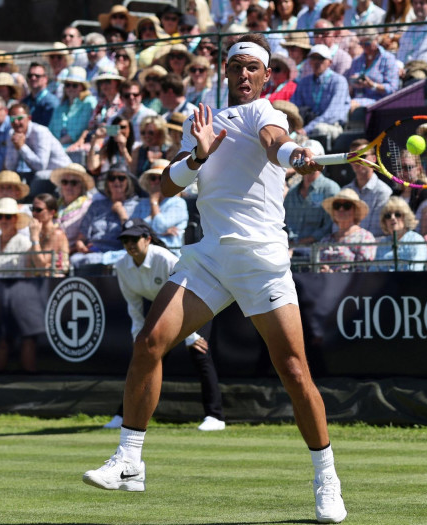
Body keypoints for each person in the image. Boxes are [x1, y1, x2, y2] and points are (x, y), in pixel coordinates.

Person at [82, 35, 347, 524]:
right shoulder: (202, 121)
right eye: (235, 68)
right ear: (225, 73)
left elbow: (276, 144)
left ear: (266, 76)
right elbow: (168, 185)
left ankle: (326, 477)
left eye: (252, 68)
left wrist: (294, 156)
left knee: (293, 371)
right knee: (149, 343)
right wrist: (199, 155)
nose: (243, 75)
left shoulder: (268, 113)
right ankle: (129, 460)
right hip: (209, 257)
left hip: (262, 259)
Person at [103, 218, 226, 432]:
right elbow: (134, 307)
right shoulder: (122, 266)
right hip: (165, 306)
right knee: (145, 357)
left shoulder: (164, 259)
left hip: (197, 300)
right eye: (125, 240)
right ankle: (124, 415)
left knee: (199, 352)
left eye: (134, 238)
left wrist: (191, 336)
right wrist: (138, 340)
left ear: (147, 239)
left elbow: (186, 289)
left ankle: (215, 417)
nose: (130, 243)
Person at [0, 198, 38, 371]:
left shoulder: (25, 243)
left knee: (27, 338)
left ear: (15, 220)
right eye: (0, 216)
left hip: (20, 296)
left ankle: (30, 383)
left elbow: (30, 272)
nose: (4, 221)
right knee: (2, 341)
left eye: (8, 217)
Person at [71, 162, 150, 269]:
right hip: (93, 252)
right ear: (107, 183)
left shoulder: (138, 205)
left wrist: (121, 213)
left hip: (120, 252)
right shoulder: (96, 206)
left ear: (128, 182)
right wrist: (81, 246)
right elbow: (81, 238)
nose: (116, 181)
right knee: (74, 259)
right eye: (112, 178)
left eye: (121, 178)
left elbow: (135, 237)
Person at [4, 102, 70, 196]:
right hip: (40, 176)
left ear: (29, 118)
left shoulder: (41, 132)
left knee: (39, 176)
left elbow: (40, 167)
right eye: (12, 119)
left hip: (62, 172)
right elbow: (10, 167)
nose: (16, 122)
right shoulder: (11, 133)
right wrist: (16, 147)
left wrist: (22, 147)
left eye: (19, 118)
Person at [289, 44, 351, 144]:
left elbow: (332, 114)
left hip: (331, 126)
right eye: (313, 58)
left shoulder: (339, 81)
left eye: (321, 58)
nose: (317, 62)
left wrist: (306, 129)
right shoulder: (304, 82)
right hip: (305, 126)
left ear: (329, 62)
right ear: (309, 61)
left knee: (319, 130)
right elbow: (293, 107)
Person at [342, 137, 394, 237]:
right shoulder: (345, 191)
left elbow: (377, 230)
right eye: (353, 157)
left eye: (362, 156)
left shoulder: (384, 192)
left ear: (374, 159)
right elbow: (337, 227)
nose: (357, 161)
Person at [284, 159, 341, 250]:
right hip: (288, 248)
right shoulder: (292, 192)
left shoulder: (331, 189)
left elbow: (330, 227)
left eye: (312, 159)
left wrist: (299, 243)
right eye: (303, 159)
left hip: (319, 250)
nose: (307, 162)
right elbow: (283, 222)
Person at [317, 188, 377, 273]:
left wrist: (333, 274)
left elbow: (363, 270)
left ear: (355, 211)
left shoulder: (365, 238)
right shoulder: (326, 240)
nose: (341, 209)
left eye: (347, 206)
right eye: (337, 206)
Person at [50, 68, 98, 162]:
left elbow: (78, 131)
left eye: (75, 85)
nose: (70, 88)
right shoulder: (60, 107)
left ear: (82, 87)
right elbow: (50, 130)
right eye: (67, 85)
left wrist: (56, 146)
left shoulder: (88, 102)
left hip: (75, 149)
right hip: (57, 148)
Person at [139, 159, 188, 249]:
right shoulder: (142, 203)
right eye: (153, 178)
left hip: (169, 249)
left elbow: (160, 227)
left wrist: (154, 202)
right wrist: (161, 232)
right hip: (143, 250)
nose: (157, 182)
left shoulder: (178, 203)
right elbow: (134, 228)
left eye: (161, 177)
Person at [49, 163, 95, 253]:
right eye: (65, 182)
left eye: (74, 183)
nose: (68, 187)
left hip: (74, 253)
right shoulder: (54, 206)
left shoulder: (88, 206)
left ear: (82, 186)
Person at [346, 34, 400, 108]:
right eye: (361, 44)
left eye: (367, 43)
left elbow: (393, 89)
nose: (364, 47)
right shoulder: (356, 60)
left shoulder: (388, 59)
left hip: (379, 101)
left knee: (350, 105)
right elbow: (349, 89)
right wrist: (353, 83)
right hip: (356, 99)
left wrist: (372, 85)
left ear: (376, 39)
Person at [373, 197, 427, 271]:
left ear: (406, 217)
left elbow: (416, 269)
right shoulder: (383, 243)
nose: (392, 218)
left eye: (397, 214)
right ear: (384, 221)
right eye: (388, 216)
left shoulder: (416, 240)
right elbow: (373, 271)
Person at [27, 193, 69, 277]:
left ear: (52, 212)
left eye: (38, 210)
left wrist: (34, 238)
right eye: (32, 209)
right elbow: (28, 267)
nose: (34, 213)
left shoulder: (57, 234)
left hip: (54, 284)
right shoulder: (39, 233)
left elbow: (41, 266)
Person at [117, 80, 159, 145]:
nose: (131, 98)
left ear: (141, 95)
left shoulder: (151, 116)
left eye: (135, 95)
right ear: (121, 98)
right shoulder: (115, 118)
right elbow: (109, 138)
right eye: (127, 95)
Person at [23, 62, 60, 126]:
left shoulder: (52, 102)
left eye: (37, 76)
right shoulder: (25, 102)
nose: (33, 78)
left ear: (45, 79)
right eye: (30, 76)